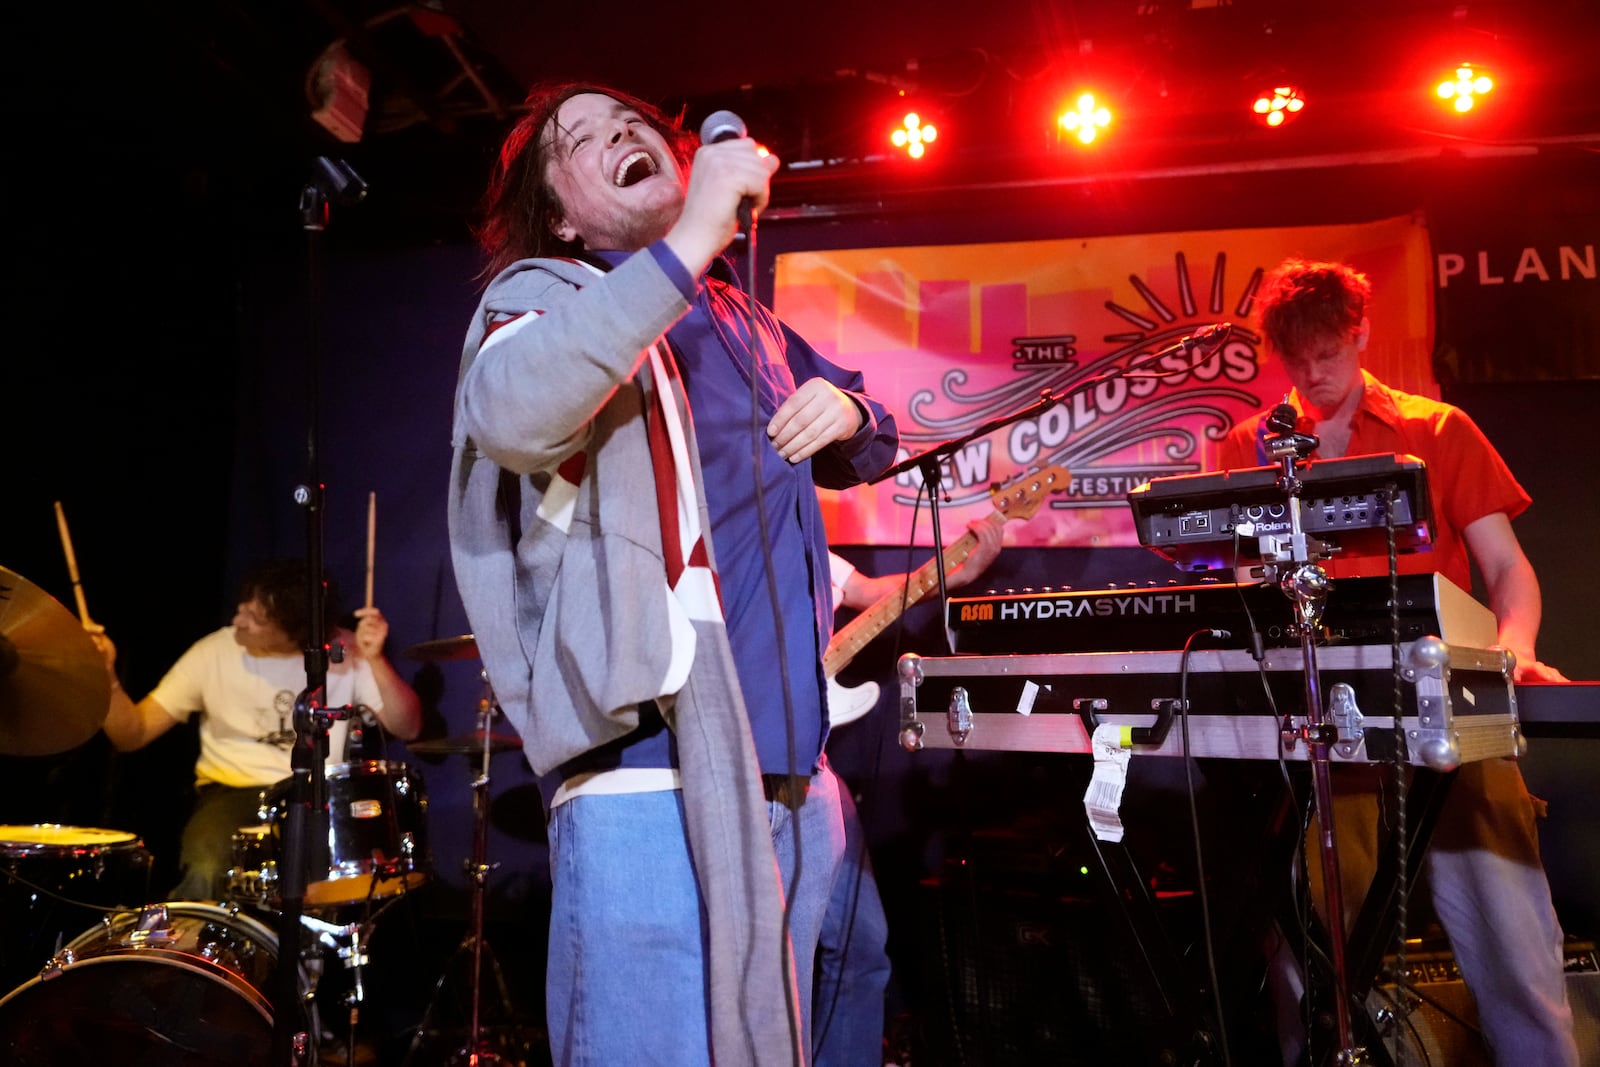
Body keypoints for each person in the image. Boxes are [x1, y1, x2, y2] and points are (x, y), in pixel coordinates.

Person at [447, 83, 899, 1065]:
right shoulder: (545, 297)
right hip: (649, 779)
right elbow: (514, 408)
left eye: (634, 124)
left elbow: (880, 430)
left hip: (791, 781)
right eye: (583, 140)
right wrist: (694, 234)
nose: (618, 135)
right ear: (561, 213)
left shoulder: (755, 323)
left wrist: (851, 413)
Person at [1216, 259, 1578, 1066]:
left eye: (1330, 356)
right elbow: (1241, 582)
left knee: (1515, 951)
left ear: (1362, 333)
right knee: (1310, 972)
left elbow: (1509, 568)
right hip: (1323, 731)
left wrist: (1513, 649)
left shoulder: (1437, 428)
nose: (1314, 376)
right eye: (1296, 361)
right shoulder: (1248, 445)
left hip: (1447, 709)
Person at [94, 558, 423, 902]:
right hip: (232, 791)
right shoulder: (214, 651)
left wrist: (375, 659)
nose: (238, 621)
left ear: (294, 631)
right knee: (205, 864)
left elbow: (409, 726)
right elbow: (132, 734)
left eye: (255, 619)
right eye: (242, 608)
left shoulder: (345, 651)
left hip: (316, 795)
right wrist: (107, 677)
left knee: (339, 886)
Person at [815, 525, 1003, 1067]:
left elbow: (868, 592)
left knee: (861, 947)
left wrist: (954, 571)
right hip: (739, 773)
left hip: (812, 773)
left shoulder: (800, 530)